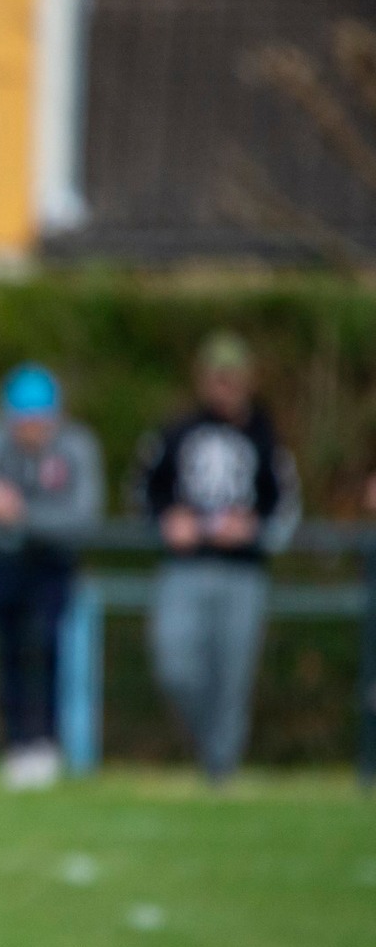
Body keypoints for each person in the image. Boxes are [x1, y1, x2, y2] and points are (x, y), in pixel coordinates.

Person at [137, 332, 301, 783]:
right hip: (185, 568)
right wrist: (168, 523)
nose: (224, 386)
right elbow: (143, 493)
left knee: (232, 678)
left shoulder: (265, 436)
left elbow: (285, 506)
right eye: (217, 377)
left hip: (242, 572)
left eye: (232, 377)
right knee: (176, 666)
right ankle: (209, 747)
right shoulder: (175, 432)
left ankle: (220, 772)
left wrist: (253, 531)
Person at [0, 363, 104, 790]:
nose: (30, 431)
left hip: (54, 565)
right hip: (3, 563)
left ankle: (47, 743)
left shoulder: (76, 447)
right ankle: (16, 744)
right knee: (10, 652)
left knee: (48, 647)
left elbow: (82, 516)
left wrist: (23, 516)